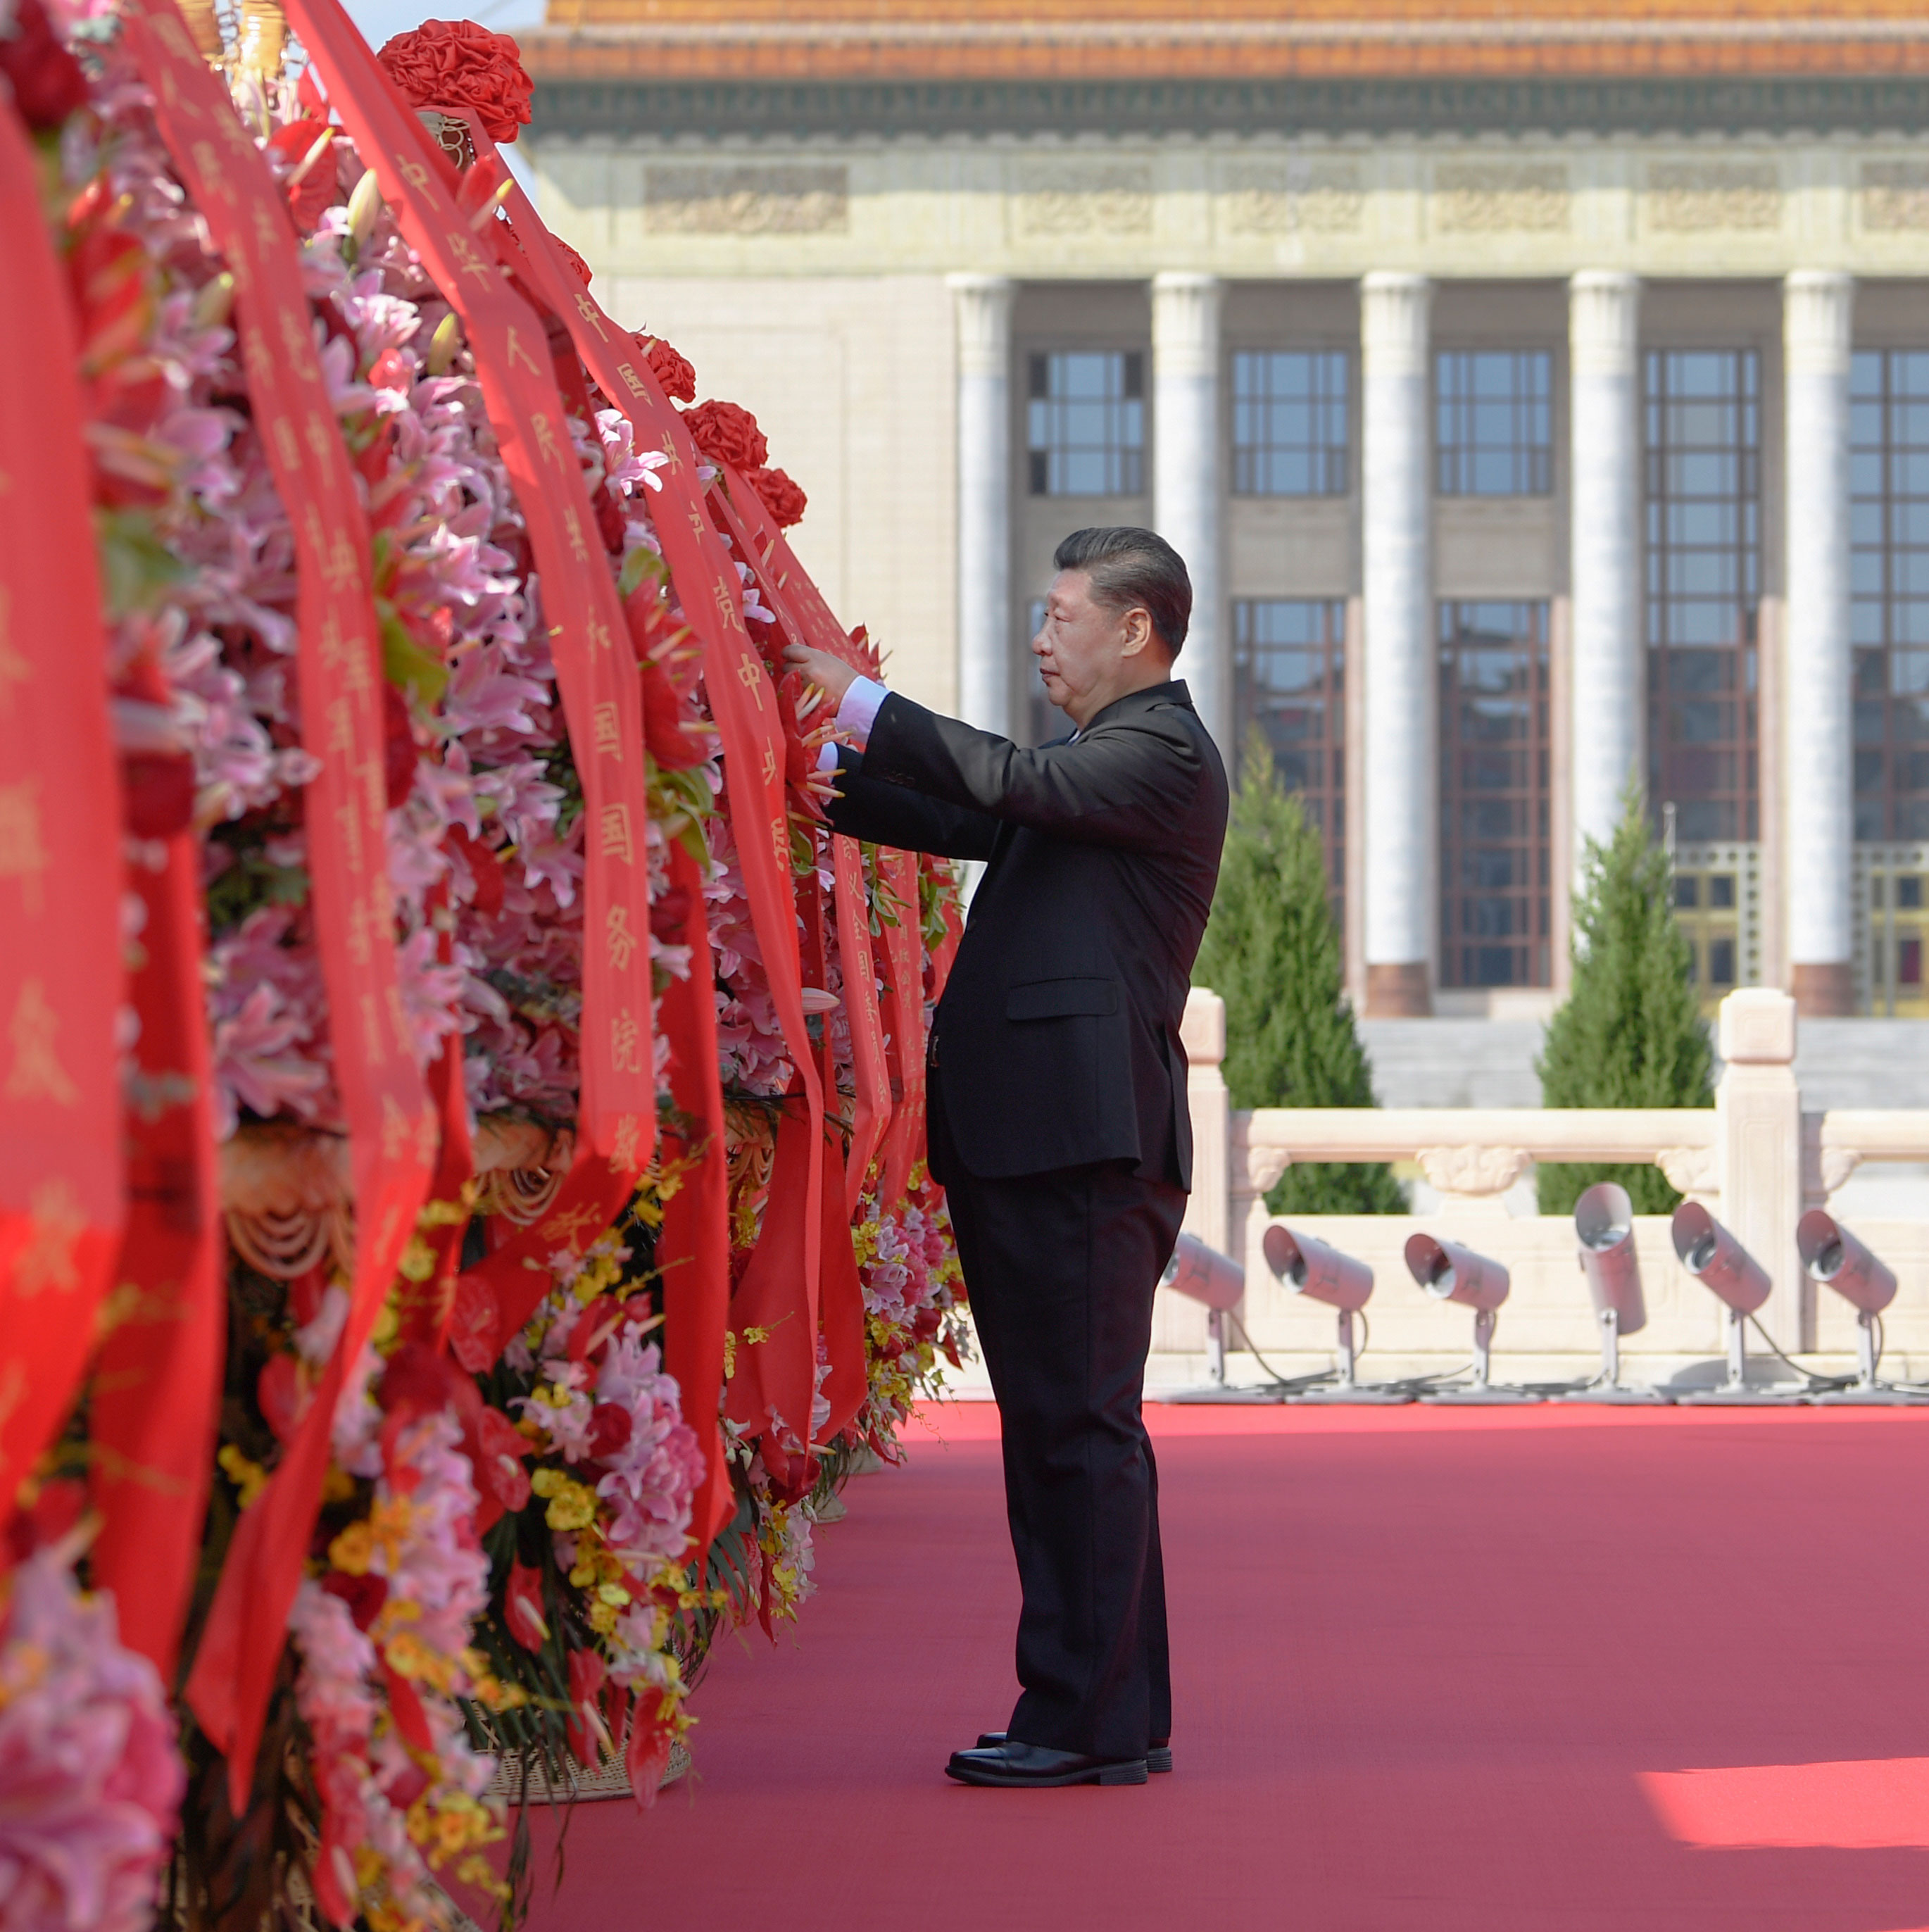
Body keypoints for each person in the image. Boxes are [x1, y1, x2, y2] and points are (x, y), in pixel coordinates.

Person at [782, 525, 1229, 1790]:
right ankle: (1109, 1712)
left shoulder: (1157, 751)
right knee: (1062, 1430)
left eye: (1061, 617)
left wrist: (863, 703)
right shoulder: (1095, 769)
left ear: (1135, 630)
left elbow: (1006, 780)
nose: (1041, 640)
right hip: (1046, 1139)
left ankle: (1083, 1720)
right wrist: (816, 775)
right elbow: (967, 809)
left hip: (1079, 1145)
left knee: (1075, 1430)